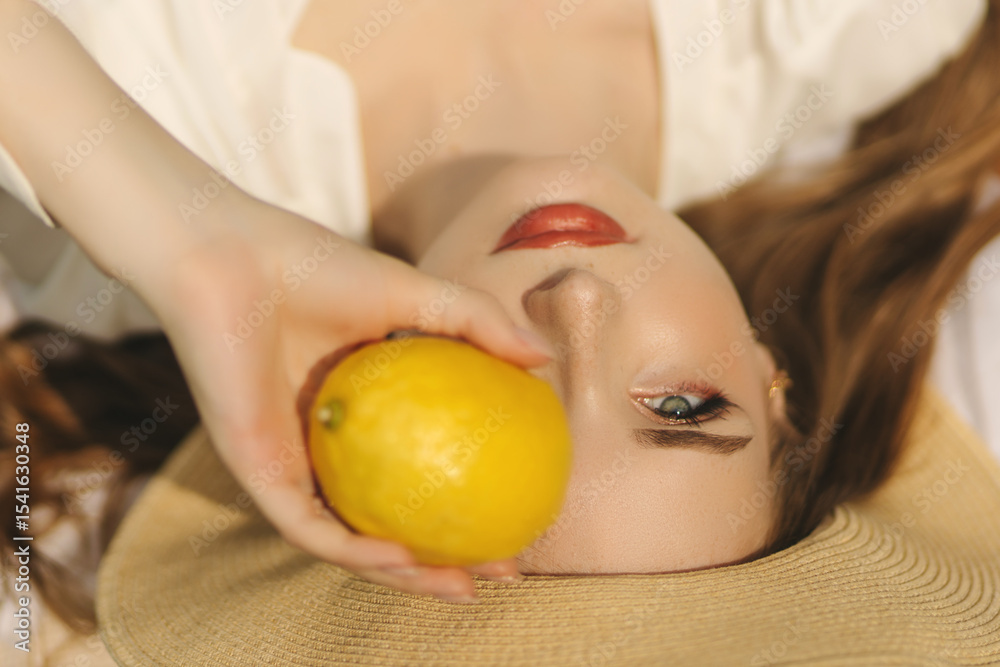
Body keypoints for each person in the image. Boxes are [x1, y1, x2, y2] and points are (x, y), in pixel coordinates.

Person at [1, 0, 999, 657]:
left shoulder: (95, 207)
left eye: (502, 412)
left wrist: (186, 230)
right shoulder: (856, 26)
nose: (575, 306)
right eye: (681, 407)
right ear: (771, 375)